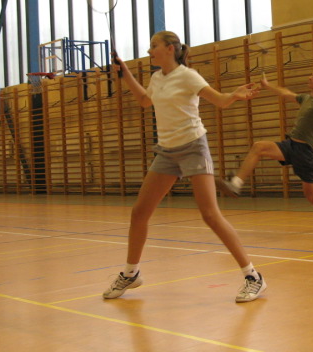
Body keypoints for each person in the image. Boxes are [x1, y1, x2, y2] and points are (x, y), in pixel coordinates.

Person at [103, 31, 266, 303]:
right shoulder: (157, 78)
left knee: (210, 215)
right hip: (167, 151)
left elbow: (220, 101)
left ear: (170, 48)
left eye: (154, 46)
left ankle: (253, 277)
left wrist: (234, 95)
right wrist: (125, 74)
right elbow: (145, 100)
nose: (149, 50)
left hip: (192, 147)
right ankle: (131, 273)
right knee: (139, 212)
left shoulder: (188, 76)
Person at [216, 70, 313, 231]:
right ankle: (235, 184)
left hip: (307, 153)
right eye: (310, 75)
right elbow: (286, 93)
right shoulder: (306, 98)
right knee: (258, 147)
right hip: (291, 145)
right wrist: (268, 86)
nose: (309, 77)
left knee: (310, 195)